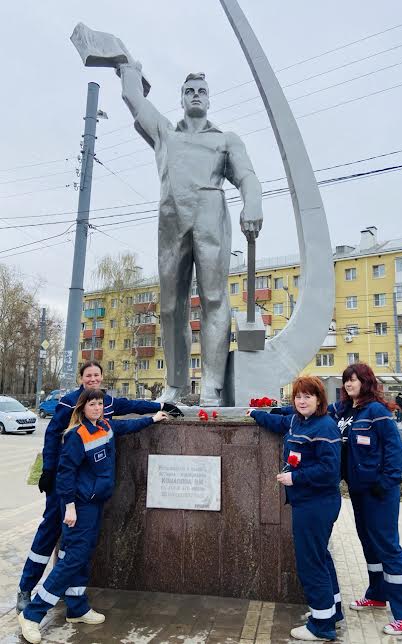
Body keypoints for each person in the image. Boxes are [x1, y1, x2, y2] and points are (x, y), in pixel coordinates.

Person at [118, 64, 263, 406]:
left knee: (213, 298)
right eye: (189, 91)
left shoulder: (225, 139)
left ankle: (212, 385)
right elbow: (134, 99)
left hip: (210, 215)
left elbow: (247, 176)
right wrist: (126, 65)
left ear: (209, 100)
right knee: (170, 305)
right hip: (172, 216)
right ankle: (175, 384)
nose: (196, 96)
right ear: (181, 99)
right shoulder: (166, 134)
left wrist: (253, 204)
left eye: (201, 91)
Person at [17, 360, 182, 613]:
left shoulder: (107, 402)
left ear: (102, 377)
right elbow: (52, 435)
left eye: (96, 375)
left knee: (73, 543)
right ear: (81, 378)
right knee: (50, 530)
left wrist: (160, 406)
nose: (93, 379)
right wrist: (49, 470)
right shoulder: (69, 402)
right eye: (88, 375)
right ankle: (26, 588)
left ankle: (66, 592)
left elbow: (132, 406)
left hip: (88, 485)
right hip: (65, 480)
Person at [247, 376, 342, 642]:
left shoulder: (325, 427)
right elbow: (277, 423)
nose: (301, 401)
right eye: (298, 396)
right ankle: (331, 611)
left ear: (319, 400)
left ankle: (321, 627)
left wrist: (295, 478)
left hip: (316, 504)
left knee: (311, 562)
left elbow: (330, 470)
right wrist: (254, 413)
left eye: (307, 396)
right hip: (307, 502)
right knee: (320, 557)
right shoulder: (297, 421)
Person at [329, 363, 402, 636]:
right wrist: (263, 411)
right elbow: (309, 409)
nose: (349, 384)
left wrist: (386, 482)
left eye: (354, 379)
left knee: (387, 547)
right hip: (358, 490)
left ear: (366, 382)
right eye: (346, 380)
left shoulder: (377, 412)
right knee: (369, 544)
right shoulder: (344, 410)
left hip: (380, 492)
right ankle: (377, 594)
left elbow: (394, 450)